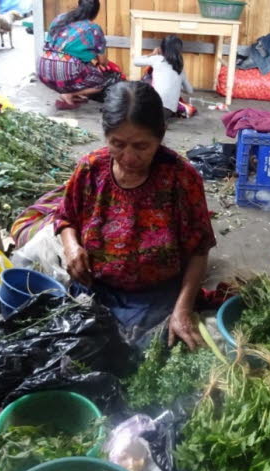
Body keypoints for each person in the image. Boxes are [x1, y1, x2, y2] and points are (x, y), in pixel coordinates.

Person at [55, 81, 216, 349]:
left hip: (157, 295)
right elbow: (65, 218)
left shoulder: (181, 178)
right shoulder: (90, 170)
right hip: (96, 288)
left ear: (161, 135)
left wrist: (182, 310)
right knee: (72, 348)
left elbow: (199, 250)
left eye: (141, 146)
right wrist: (71, 247)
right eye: (117, 144)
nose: (128, 157)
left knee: (144, 355)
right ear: (106, 135)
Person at [38, 0, 110, 110]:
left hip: (43, 69)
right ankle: (69, 94)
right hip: (67, 68)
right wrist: (102, 63)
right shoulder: (93, 28)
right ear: (96, 12)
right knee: (100, 82)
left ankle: (72, 93)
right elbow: (103, 61)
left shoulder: (60, 18)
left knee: (80, 66)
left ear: (79, 6)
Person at [133, 35, 193, 120]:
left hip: (154, 107)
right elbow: (190, 91)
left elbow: (136, 62)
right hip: (168, 112)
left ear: (161, 49)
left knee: (144, 82)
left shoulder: (157, 59)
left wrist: (152, 54)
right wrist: (177, 85)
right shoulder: (180, 67)